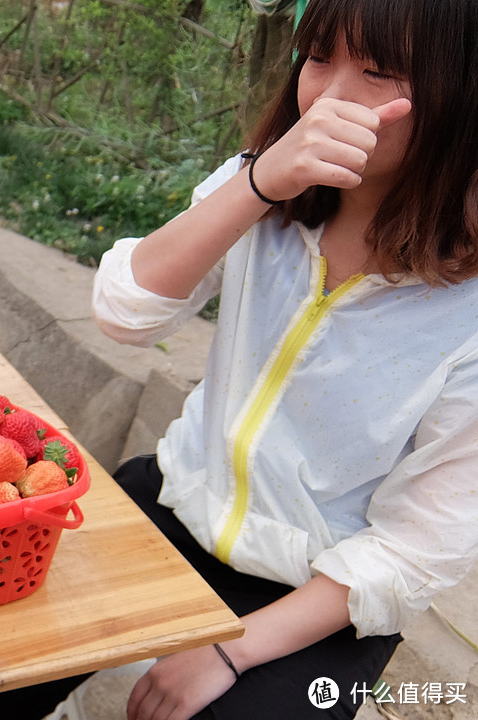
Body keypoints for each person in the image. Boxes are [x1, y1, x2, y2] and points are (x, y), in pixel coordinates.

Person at [87, 0, 478, 717]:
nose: (327, 97)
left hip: (318, 594)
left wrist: (228, 650)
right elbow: (124, 312)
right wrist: (259, 184)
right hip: (178, 501)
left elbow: (417, 547)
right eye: (319, 56)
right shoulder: (260, 187)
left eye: (379, 71)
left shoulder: (468, 312)